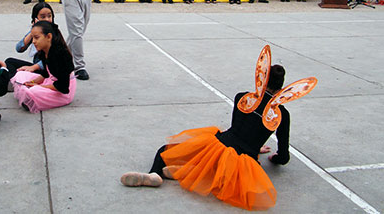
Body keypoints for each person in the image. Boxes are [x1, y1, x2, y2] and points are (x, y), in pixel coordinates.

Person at [120, 64, 296, 210]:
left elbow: (237, 129)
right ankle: (190, 172)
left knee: (167, 150)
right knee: (223, 176)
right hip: (243, 159)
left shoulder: (242, 98)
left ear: (261, 79)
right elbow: (283, 157)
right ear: (281, 89)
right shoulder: (281, 115)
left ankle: (156, 174)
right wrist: (273, 157)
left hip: (219, 144)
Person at [11, 21, 76, 113]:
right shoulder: (43, 51)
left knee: (34, 91)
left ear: (49, 37)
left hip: (61, 91)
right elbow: (45, 74)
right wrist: (32, 82)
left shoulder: (61, 55)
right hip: (50, 81)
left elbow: (63, 87)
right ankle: (28, 95)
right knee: (20, 75)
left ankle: (30, 97)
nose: (33, 42)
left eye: (36, 38)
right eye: (33, 38)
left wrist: (38, 86)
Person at [5, 2, 54, 78]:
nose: (47, 20)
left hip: (47, 71)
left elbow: (52, 59)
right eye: (43, 17)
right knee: (9, 61)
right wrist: (32, 32)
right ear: (35, 19)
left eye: (49, 16)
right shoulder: (35, 32)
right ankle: (14, 81)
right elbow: (19, 48)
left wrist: (33, 67)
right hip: (36, 68)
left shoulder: (53, 34)